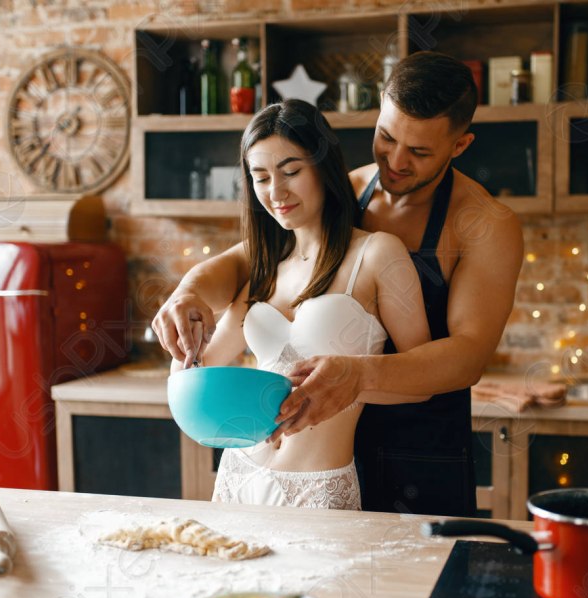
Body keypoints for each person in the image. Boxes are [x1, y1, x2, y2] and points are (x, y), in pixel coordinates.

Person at [153, 52, 523, 517]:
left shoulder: (485, 225)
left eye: (420, 151)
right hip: (319, 446)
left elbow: (468, 354)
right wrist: (187, 293)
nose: (395, 161)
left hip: (418, 447)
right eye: (386, 137)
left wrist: (357, 376)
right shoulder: (342, 189)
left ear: (460, 145)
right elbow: (247, 261)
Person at [180, 99, 430, 510]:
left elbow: (421, 381)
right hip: (240, 473)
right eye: (260, 178)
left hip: (319, 487)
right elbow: (205, 363)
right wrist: (182, 323)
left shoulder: (378, 254)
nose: (275, 192)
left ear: (323, 167)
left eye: (291, 172)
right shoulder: (263, 266)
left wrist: (353, 381)